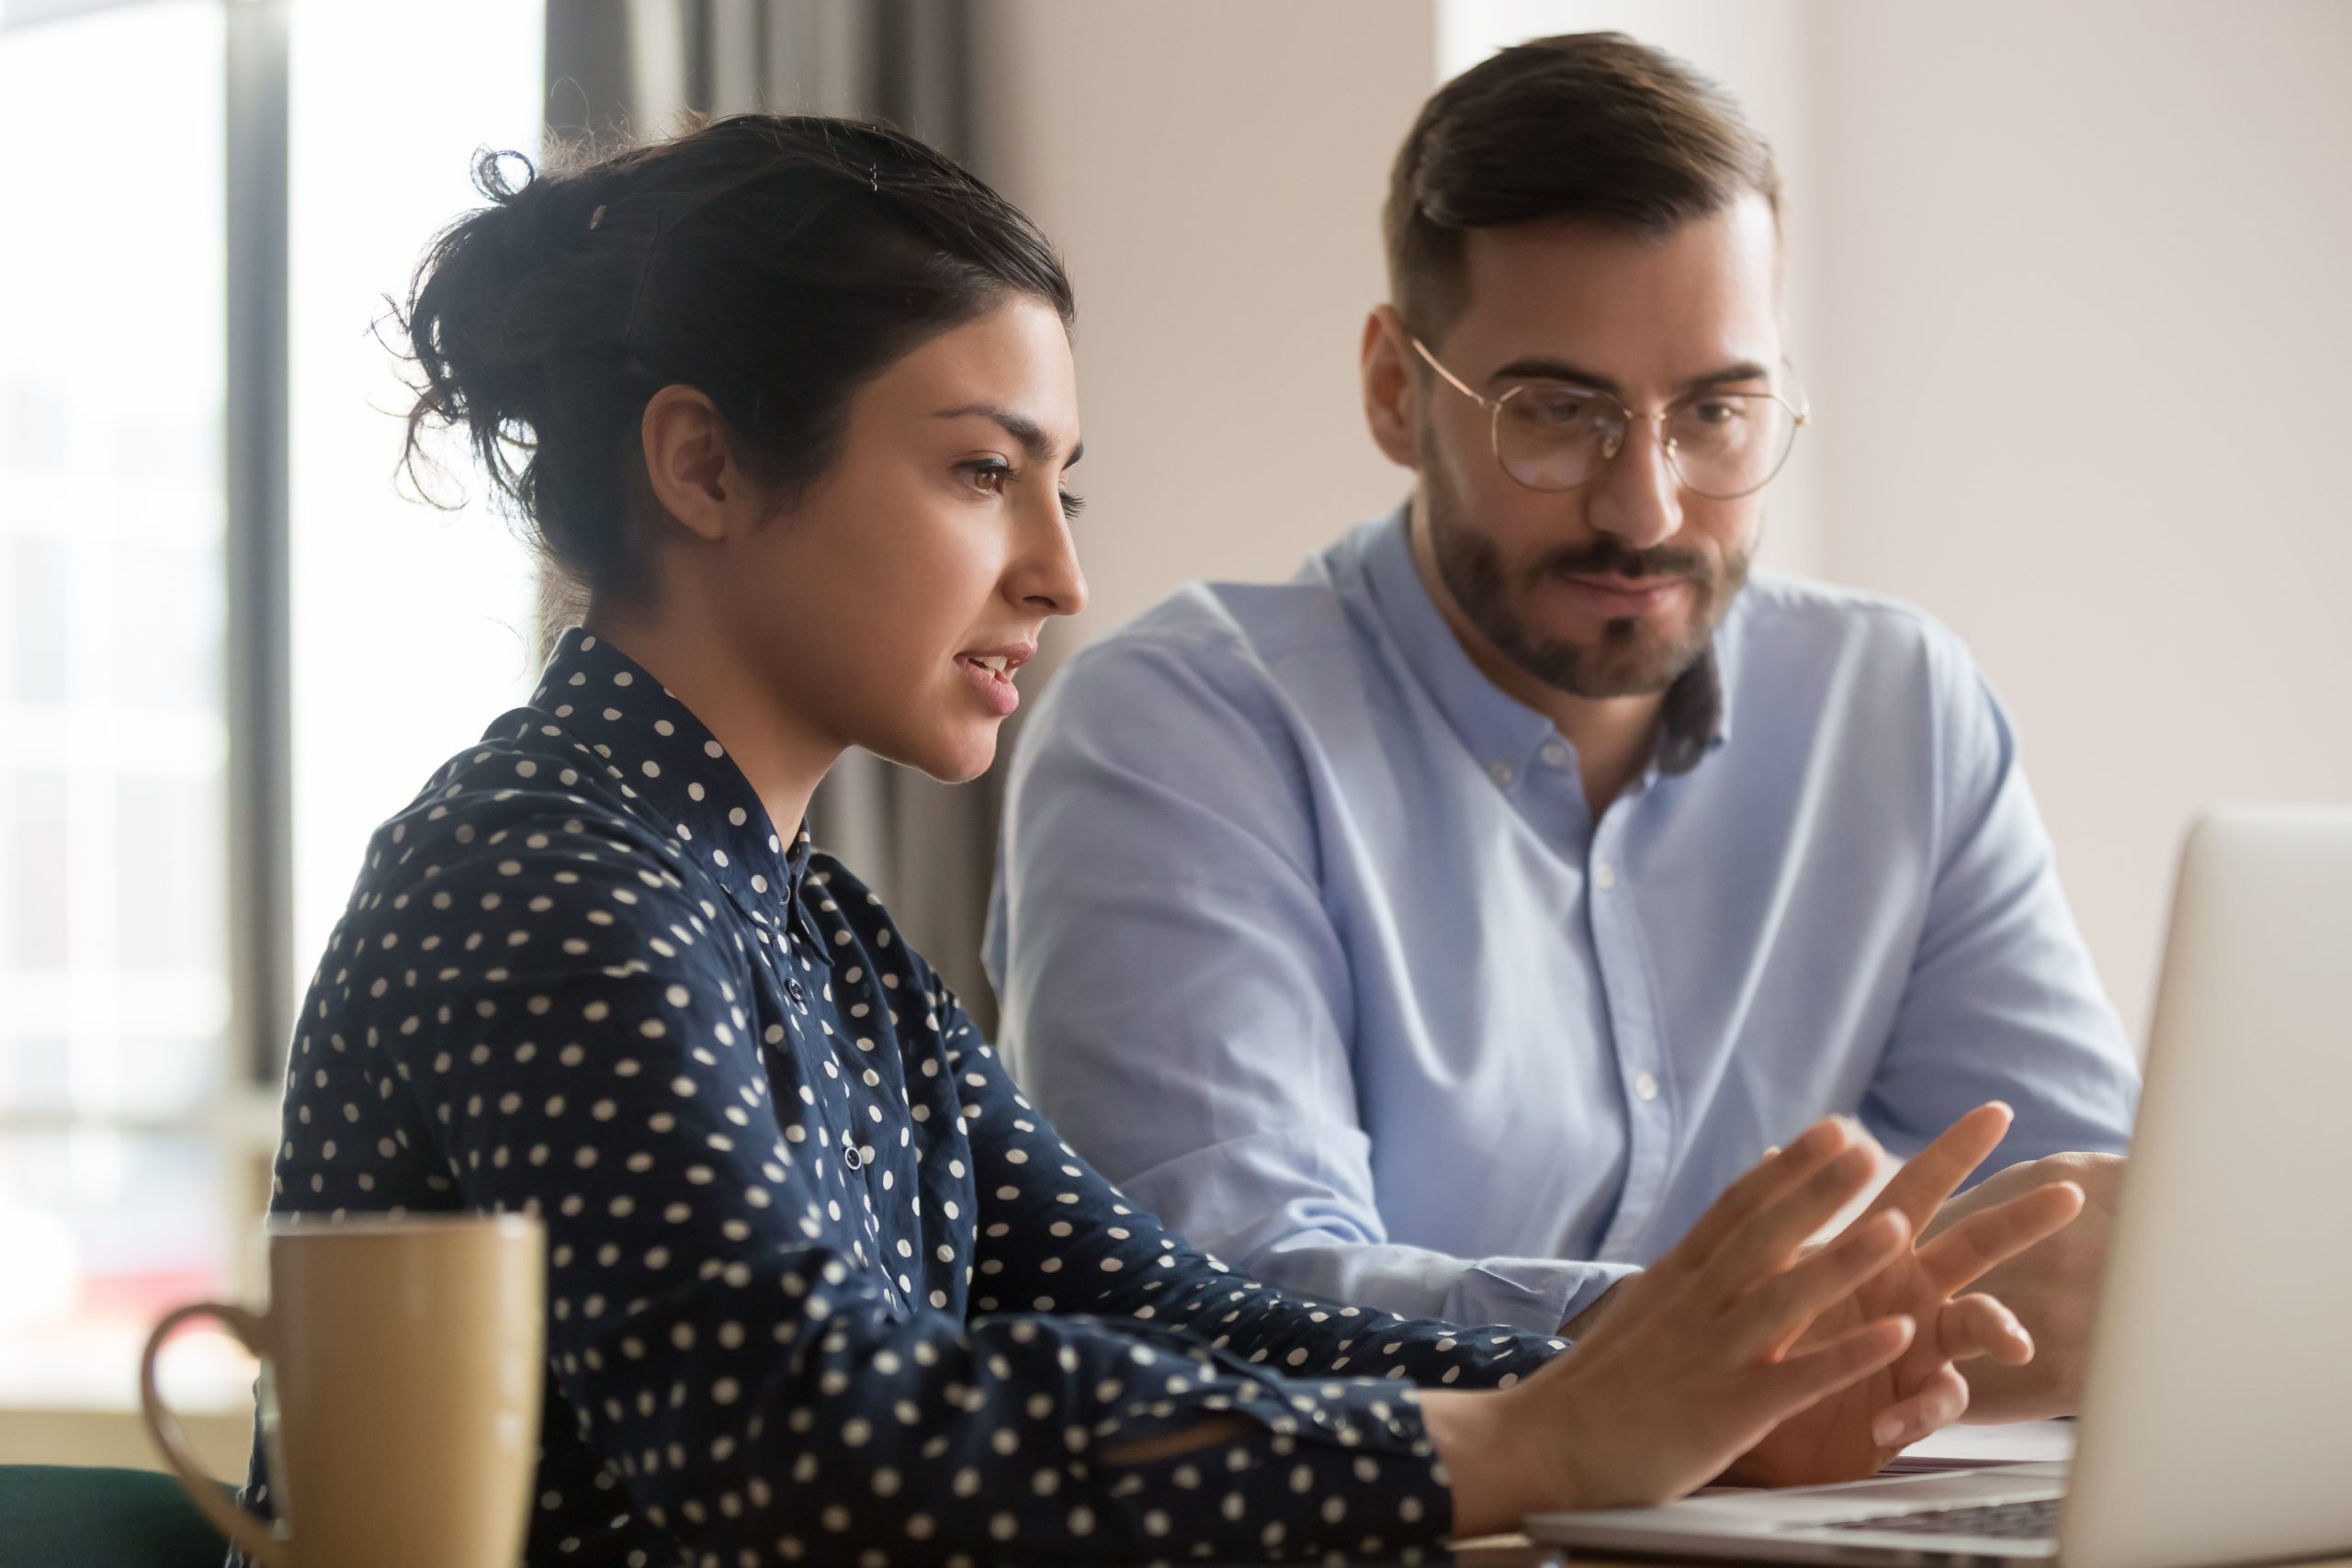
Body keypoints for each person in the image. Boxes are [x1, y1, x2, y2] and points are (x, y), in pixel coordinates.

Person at [235, 115, 2084, 1568]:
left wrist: (1685, 1388)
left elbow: (1182, 1312)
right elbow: (799, 1458)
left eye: (1062, 482)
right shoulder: (541, 879)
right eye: (980, 470)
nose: (1059, 569)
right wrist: (1539, 1439)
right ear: (703, 465)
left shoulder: (817, 935)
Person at [986, 33, 2137, 1423]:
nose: (1643, 507)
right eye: (1559, 412)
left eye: (1716, 412)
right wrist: (1732, 1345)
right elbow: (1229, 1300)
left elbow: (2093, 1239)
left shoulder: (1896, 710)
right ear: (1395, 391)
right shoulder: (1177, 732)